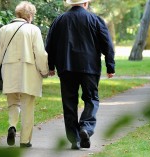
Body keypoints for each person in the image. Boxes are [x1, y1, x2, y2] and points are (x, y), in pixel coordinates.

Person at [45, 0, 115, 150]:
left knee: (69, 103)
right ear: (86, 3)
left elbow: (50, 45)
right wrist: (110, 66)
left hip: (66, 67)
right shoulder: (95, 19)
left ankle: (74, 139)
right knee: (91, 98)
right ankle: (86, 127)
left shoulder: (59, 20)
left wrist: (51, 66)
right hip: (89, 67)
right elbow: (107, 44)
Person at [0, 1, 49, 148]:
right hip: (29, 72)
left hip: (9, 71)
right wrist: (45, 70)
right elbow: (40, 54)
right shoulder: (33, 30)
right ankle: (24, 140)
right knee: (27, 106)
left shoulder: (4, 29)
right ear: (29, 15)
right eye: (32, 15)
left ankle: (12, 126)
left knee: (13, 102)